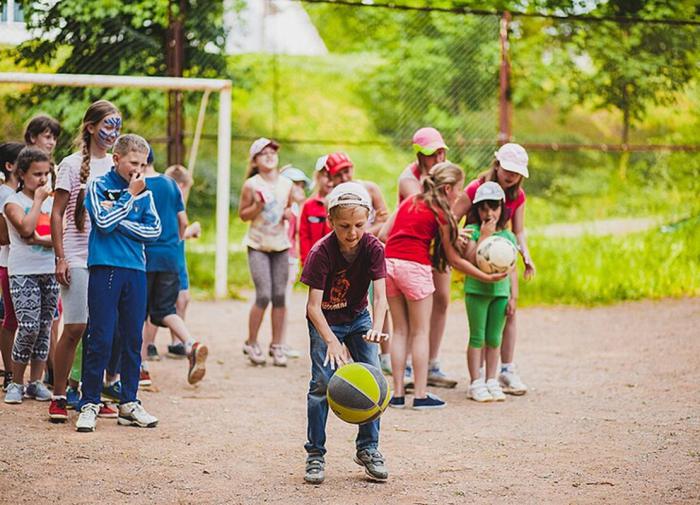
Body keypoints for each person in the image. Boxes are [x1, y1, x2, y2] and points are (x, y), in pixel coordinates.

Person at [381, 162, 506, 410]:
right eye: (458, 191)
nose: (460, 196)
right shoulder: (442, 213)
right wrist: (486, 277)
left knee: (400, 331)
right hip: (415, 269)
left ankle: (396, 395)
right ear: (447, 188)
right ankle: (419, 394)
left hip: (389, 266)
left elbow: (385, 233)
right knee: (420, 332)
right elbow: (453, 259)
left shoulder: (411, 200)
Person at [300, 182, 389, 485]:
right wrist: (331, 341)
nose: (352, 233)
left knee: (373, 381)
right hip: (326, 320)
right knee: (321, 383)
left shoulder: (374, 248)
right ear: (331, 222)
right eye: (344, 226)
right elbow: (313, 307)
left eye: (359, 225)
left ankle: (368, 449)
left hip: (359, 318)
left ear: (369, 220)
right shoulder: (320, 252)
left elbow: (380, 297)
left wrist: (376, 328)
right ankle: (315, 454)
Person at [76, 134, 161, 432]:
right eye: (133, 162)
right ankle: (89, 402)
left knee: (132, 339)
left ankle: (129, 403)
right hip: (105, 268)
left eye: (143, 164)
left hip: (136, 270)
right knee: (100, 336)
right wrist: (127, 199)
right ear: (116, 159)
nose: (138, 169)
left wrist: (118, 221)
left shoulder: (145, 192)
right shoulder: (98, 185)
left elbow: (155, 231)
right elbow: (101, 222)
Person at [49, 100, 122, 422]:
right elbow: (56, 212)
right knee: (76, 325)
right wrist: (60, 257)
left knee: (100, 329)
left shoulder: (116, 165)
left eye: (117, 126)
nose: (113, 132)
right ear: (91, 127)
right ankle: (59, 392)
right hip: (77, 255)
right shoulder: (69, 164)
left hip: (107, 257)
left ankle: (87, 392)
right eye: (107, 125)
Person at [453, 143, 534, 395]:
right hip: (473, 251)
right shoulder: (476, 188)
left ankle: (504, 371)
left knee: (506, 319)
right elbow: (451, 219)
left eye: (516, 172)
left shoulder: (516, 196)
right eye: (507, 169)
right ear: (496, 165)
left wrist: (525, 256)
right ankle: (475, 379)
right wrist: (460, 236)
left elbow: (518, 231)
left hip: (500, 257)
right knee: (477, 333)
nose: (511, 176)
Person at [140, 149, 208, 387]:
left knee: (139, 313)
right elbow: (183, 222)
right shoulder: (170, 184)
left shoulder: (135, 184)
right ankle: (191, 343)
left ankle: (141, 367)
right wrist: (175, 242)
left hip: (144, 255)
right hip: (170, 256)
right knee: (165, 310)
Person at [397, 127, 456, 389]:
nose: (439, 157)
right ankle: (409, 365)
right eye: (433, 153)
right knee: (414, 309)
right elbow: (425, 207)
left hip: (438, 245)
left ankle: (432, 363)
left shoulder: (448, 172)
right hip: (414, 248)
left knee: (442, 299)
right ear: (420, 155)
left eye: (441, 151)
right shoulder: (408, 179)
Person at [2, 147, 59, 404]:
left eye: (46, 173)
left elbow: (61, 236)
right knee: (28, 326)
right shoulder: (13, 202)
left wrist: (43, 240)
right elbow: (25, 229)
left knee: (45, 327)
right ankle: (16, 382)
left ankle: (35, 382)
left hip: (49, 271)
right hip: (23, 271)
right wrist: (37, 202)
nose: (43, 179)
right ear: (22, 174)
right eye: (37, 174)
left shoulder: (52, 202)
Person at [462, 182, 519, 402]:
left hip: (500, 294)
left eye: (493, 207)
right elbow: (469, 259)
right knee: (477, 337)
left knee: (494, 338)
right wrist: (484, 236)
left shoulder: (508, 236)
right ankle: (475, 381)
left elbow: (512, 270)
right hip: (476, 292)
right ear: (476, 210)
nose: (489, 213)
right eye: (483, 208)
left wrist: (514, 296)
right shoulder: (473, 232)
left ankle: (491, 379)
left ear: (501, 208)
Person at [238, 138, 292, 367]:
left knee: (280, 295)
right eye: (263, 153)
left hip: (281, 244)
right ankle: (252, 342)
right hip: (258, 244)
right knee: (263, 295)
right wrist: (257, 207)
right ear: (255, 160)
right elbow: (243, 215)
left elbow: (289, 207)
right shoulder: (252, 184)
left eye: (273, 152)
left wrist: (289, 213)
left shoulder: (286, 184)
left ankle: (277, 344)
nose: (270, 155)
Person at [24, 114, 61, 389]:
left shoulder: (56, 170)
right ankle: (18, 377)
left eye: (54, 137)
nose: (51, 141)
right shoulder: (23, 171)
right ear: (32, 137)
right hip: (24, 261)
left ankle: (52, 368)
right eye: (47, 135)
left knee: (52, 317)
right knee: (25, 322)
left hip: (50, 259)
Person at [0, 142, 24, 391]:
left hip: (20, 264)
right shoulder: (5, 196)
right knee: (10, 320)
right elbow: (4, 237)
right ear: (9, 166)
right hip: (8, 264)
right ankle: (9, 371)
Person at [299, 155, 333, 266]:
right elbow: (304, 235)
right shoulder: (309, 205)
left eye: (333, 176)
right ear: (317, 177)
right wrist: (306, 260)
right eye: (326, 175)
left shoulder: (343, 206)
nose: (330, 181)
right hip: (316, 262)